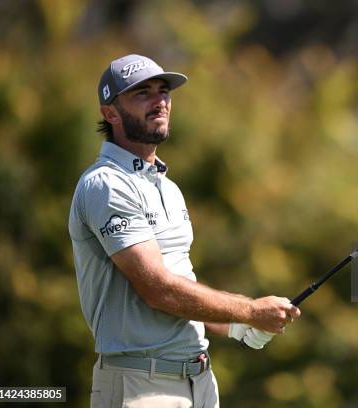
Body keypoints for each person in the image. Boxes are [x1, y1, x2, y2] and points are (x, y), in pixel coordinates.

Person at [68, 54, 300, 408]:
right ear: (110, 113)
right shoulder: (107, 185)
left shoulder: (168, 188)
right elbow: (158, 290)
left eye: (163, 91)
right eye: (142, 93)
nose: (159, 101)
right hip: (140, 386)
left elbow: (181, 285)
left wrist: (235, 326)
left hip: (199, 382)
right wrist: (250, 311)